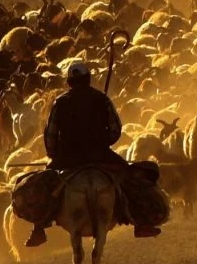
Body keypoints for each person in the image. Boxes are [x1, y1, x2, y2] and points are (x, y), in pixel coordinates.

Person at [21, 61, 163, 246]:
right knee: (129, 178)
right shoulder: (101, 99)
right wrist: (103, 142)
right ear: (88, 79)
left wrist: (54, 154)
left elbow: (50, 135)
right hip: (100, 154)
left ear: (69, 82)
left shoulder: (60, 103)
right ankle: (141, 223)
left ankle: (39, 228)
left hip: (68, 158)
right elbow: (115, 130)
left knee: (44, 185)